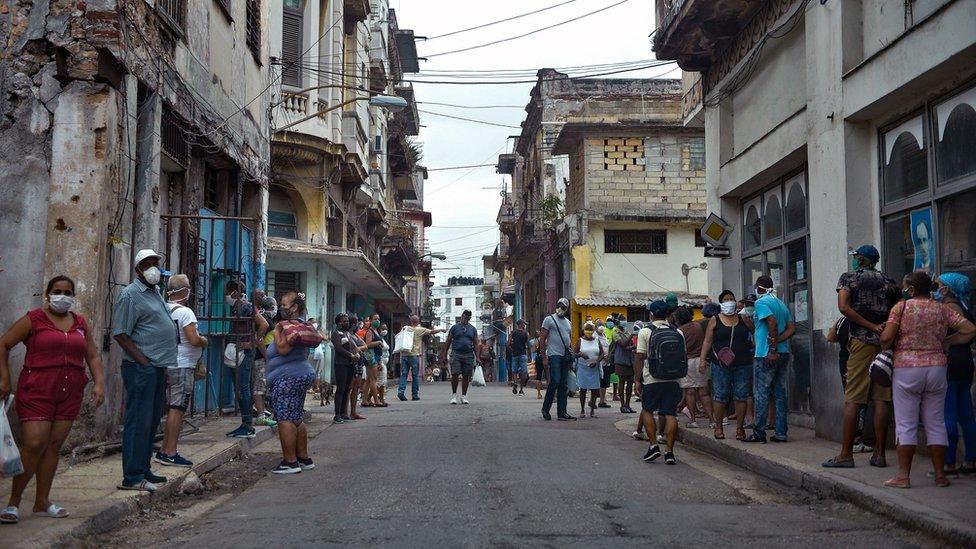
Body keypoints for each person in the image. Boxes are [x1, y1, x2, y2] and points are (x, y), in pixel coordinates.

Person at [0, 276, 105, 523]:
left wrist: (99, 383)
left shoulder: (80, 322)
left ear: (73, 296)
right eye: (57, 291)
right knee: (35, 443)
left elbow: (93, 355)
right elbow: (3, 344)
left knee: (53, 446)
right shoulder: (33, 319)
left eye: (67, 292)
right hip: (37, 389)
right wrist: (4, 379)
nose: (62, 295)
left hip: (70, 392)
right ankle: (13, 502)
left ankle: (41, 502)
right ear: (47, 294)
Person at [880, 271, 976, 488]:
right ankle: (941, 475)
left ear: (911, 289)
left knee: (906, 423)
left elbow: (886, 339)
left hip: (907, 369)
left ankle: (903, 476)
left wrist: (889, 338)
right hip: (937, 368)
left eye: (905, 287)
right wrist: (946, 342)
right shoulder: (941, 308)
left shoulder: (901, 308)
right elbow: (970, 330)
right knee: (936, 422)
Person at [824, 245, 900, 468]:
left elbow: (843, 307)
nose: (855, 259)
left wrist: (871, 326)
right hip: (884, 344)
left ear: (862, 259)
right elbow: (897, 311)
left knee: (853, 398)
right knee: (881, 399)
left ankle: (846, 454)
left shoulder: (849, 278)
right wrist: (883, 328)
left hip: (861, 342)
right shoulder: (889, 282)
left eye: (856, 256)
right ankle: (879, 454)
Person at [112, 249, 179, 492]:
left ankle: (143, 468)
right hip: (142, 368)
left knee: (151, 422)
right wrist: (143, 362)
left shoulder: (155, 292)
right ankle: (132, 475)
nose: (153, 268)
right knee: (138, 420)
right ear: (138, 268)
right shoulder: (130, 295)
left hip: (157, 366)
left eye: (155, 263)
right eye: (148, 263)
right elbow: (120, 332)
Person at [156, 274, 208, 468]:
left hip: (167, 363)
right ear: (184, 290)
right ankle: (170, 451)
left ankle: (164, 450)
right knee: (177, 410)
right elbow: (193, 339)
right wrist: (204, 341)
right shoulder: (185, 313)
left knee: (172, 409)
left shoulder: (163, 309)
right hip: (182, 365)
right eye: (188, 287)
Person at [266, 292, 321, 474]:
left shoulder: (285, 326)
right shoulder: (303, 325)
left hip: (288, 378)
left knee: (285, 418)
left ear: (294, 307)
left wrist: (277, 330)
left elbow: (282, 349)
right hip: (301, 374)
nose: (281, 307)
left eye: (284, 304)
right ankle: (304, 458)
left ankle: (290, 462)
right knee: (296, 417)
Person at [742, 275, 795, 444]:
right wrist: (778, 342)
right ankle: (781, 433)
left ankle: (759, 433)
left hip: (765, 354)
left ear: (759, 288)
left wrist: (772, 348)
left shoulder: (761, 303)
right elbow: (791, 329)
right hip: (784, 352)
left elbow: (771, 322)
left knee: (761, 393)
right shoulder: (780, 304)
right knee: (780, 393)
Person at [934, 273, 976, 474]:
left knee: (948, 414)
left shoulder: (948, 307)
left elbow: (968, 331)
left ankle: (948, 462)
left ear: (947, 288)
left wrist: (948, 342)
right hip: (965, 363)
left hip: (951, 363)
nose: (936, 288)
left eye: (939, 285)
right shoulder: (965, 306)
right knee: (966, 414)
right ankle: (971, 460)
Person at [635, 300, 685, 465]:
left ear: (651, 314)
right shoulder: (678, 332)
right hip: (674, 379)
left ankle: (653, 446)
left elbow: (640, 356)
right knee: (670, 414)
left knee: (648, 410)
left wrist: (637, 379)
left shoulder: (645, 331)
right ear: (668, 314)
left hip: (652, 379)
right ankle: (669, 452)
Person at [700, 290, 753, 440]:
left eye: (731, 299)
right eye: (726, 299)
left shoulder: (744, 319)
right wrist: (703, 360)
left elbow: (756, 333)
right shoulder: (715, 320)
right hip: (720, 365)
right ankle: (718, 427)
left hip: (743, 363)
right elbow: (708, 341)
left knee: (741, 395)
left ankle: (740, 428)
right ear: (721, 303)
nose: (729, 301)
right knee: (720, 395)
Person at [223, 280, 270, 439]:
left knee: (243, 388)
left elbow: (263, 324)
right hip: (236, 352)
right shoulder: (234, 307)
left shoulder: (246, 306)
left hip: (245, 353)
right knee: (239, 388)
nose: (226, 295)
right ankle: (245, 424)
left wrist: (252, 342)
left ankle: (248, 424)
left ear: (235, 292)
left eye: (227, 291)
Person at [826, 316, 869, 453]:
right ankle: (856, 439)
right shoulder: (865, 319)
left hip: (845, 358)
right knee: (860, 402)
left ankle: (854, 439)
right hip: (859, 359)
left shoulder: (842, 320)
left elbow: (830, 337)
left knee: (851, 397)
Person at [674, 307, 712, 429]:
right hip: (701, 360)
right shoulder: (698, 326)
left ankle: (693, 420)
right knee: (704, 392)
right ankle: (712, 420)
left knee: (690, 392)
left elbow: (680, 350)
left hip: (688, 362)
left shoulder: (680, 331)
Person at [540, 298, 576, 421]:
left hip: (564, 357)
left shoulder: (568, 323)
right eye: (559, 305)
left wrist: (571, 359)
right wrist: (544, 358)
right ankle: (545, 409)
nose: (560, 308)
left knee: (563, 384)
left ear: (566, 309)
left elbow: (569, 341)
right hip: (553, 355)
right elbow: (542, 339)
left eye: (563, 307)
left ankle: (562, 413)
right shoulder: (549, 319)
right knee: (555, 381)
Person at [398, 315, 445, 401]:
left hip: (404, 354)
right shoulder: (420, 330)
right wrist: (441, 330)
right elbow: (432, 332)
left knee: (404, 374)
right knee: (415, 376)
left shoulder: (405, 328)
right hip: (414, 355)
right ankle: (414, 395)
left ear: (411, 321)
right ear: (418, 321)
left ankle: (401, 392)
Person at [443, 310, 479, 405]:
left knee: (466, 375)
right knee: (455, 374)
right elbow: (448, 341)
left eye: (468, 317)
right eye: (465, 317)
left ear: (470, 318)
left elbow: (476, 344)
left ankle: (464, 396)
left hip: (469, 354)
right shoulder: (455, 328)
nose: (466, 319)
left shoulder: (473, 329)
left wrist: (478, 357)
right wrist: (444, 355)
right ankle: (454, 395)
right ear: (461, 316)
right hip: (456, 353)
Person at [330, 313, 359, 423]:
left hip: (350, 364)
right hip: (341, 364)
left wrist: (356, 355)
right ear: (339, 322)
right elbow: (339, 348)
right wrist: (350, 355)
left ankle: (343, 413)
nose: (347, 322)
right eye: (344, 321)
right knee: (341, 389)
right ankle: (337, 414)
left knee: (347, 389)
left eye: (347, 320)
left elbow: (353, 347)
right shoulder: (336, 334)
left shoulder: (348, 334)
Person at [254, 295, 278, 426]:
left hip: (264, 358)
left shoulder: (266, 318)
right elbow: (260, 339)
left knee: (263, 387)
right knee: (259, 386)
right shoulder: (266, 319)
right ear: (272, 307)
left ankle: (263, 412)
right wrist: (267, 355)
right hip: (261, 358)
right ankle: (261, 415)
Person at [574, 321, 605, 418]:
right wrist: (580, 354)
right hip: (583, 368)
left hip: (594, 367)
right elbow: (574, 353)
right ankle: (582, 410)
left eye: (590, 330)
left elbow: (602, 353)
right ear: (584, 330)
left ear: (593, 330)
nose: (588, 331)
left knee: (594, 389)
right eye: (587, 329)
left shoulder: (596, 340)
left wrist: (597, 362)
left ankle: (592, 410)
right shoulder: (580, 341)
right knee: (583, 389)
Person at [345, 315, 368, 420]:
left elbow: (365, 346)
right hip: (352, 363)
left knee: (356, 389)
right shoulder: (348, 335)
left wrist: (359, 348)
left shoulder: (355, 335)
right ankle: (345, 412)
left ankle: (353, 412)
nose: (357, 325)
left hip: (359, 364)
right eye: (356, 323)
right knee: (349, 388)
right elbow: (354, 348)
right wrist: (358, 349)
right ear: (353, 324)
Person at [613, 316, 637, 414]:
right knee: (622, 382)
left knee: (630, 383)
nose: (624, 322)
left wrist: (632, 346)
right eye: (622, 321)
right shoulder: (615, 332)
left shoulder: (626, 331)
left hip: (629, 361)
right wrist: (631, 336)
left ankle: (628, 405)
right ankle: (622, 405)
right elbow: (623, 344)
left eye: (625, 320)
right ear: (618, 322)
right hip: (620, 361)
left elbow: (628, 346)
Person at [361, 314, 384, 408]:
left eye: (378, 319)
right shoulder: (370, 332)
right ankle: (376, 400)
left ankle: (365, 400)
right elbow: (368, 344)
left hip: (376, 357)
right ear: (370, 320)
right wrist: (378, 342)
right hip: (371, 357)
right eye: (375, 319)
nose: (377, 321)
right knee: (374, 379)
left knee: (368, 380)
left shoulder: (376, 331)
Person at [507, 319, 530, 396]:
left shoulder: (513, 333)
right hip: (523, 354)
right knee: (524, 372)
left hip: (515, 354)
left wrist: (512, 349)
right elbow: (529, 345)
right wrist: (529, 355)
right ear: (521, 324)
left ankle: (515, 383)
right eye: (524, 324)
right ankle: (521, 390)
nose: (525, 325)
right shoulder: (526, 333)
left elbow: (508, 344)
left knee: (514, 371)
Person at [594, 318, 612, 409]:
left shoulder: (604, 335)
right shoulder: (594, 336)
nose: (601, 326)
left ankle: (602, 400)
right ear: (595, 327)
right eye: (599, 325)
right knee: (597, 382)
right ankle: (594, 401)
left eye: (602, 324)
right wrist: (602, 356)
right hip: (598, 362)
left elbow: (607, 347)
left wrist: (608, 356)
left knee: (604, 382)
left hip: (606, 362)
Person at [376, 323, 391, 407]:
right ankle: (378, 398)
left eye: (386, 329)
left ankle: (381, 398)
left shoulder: (383, 339)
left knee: (383, 381)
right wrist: (379, 362)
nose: (385, 331)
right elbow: (378, 352)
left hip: (384, 362)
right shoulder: (378, 338)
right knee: (380, 381)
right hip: (380, 362)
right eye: (383, 329)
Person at [529, 330, 545, 399]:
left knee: (538, 376)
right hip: (547, 357)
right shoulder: (547, 340)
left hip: (538, 358)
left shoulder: (536, 341)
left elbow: (533, 350)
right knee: (548, 376)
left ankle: (538, 394)